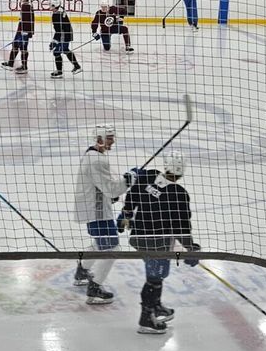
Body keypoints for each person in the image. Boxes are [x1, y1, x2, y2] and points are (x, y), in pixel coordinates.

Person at [119, 152, 199, 334]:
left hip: (138, 237)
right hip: (158, 243)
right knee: (154, 278)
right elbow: (182, 226)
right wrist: (190, 248)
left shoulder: (147, 176)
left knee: (156, 274)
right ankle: (146, 320)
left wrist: (126, 214)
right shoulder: (179, 194)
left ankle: (155, 306)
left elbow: (131, 197)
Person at [72, 125, 133, 305]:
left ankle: (82, 271)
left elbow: (102, 187)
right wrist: (129, 179)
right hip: (97, 211)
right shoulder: (97, 160)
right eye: (109, 138)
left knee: (100, 243)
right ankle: (95, 287)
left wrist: (110, 194)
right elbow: (111, 188)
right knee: (113, 249)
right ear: (98, 139)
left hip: (95, 208)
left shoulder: (91, 154)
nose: (112, 141)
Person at [49, 0, 82, 78]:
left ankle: (60, 72)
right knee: (65, 50)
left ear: (54, 5)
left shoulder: (57, 15)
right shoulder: (59, 10)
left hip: (64, 34)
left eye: (51, 5)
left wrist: (54, 42)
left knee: (57, 52)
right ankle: (77, 66)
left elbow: (59, 30)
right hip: (66, 33)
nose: (50, 6)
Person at [2, 0, 34, 75]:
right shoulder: (25, 6)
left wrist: (27, 32)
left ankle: (24, 66)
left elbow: (29, 21)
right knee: (15, 45)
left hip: (24, 32)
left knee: (23, 48)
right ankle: (10, 63)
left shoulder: (26, 7)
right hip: (21, 30)